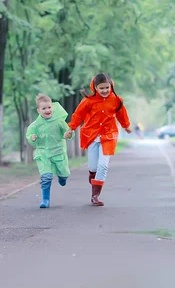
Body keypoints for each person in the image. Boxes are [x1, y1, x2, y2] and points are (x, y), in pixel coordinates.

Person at [65, 73, 132, 206]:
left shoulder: (116, 100)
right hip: (92, 136)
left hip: (108, 136)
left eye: (107, 87)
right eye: (101, 88)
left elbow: (122, 114)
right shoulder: (88, 101)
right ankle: (93, 175)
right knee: (93, 167)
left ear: (111, 86)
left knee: (103, 166)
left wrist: (126, 126)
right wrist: (71, 128)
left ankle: (95, 196)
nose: (105, 91)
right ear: (95, 88)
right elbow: (78, 115)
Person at [26, 94, 71, 208]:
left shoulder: (59, 121)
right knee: (46, 177)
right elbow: (29, 135)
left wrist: (68, 134)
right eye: (44, 108)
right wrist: (32, 137)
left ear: (52, 107)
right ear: (38, 110)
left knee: (64, 174)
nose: (47, 110)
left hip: (58, 153)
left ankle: (62, 177)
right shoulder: (35, 125)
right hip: (43, 154)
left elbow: (68, 132)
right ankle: (45, 200)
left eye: (49, 107)